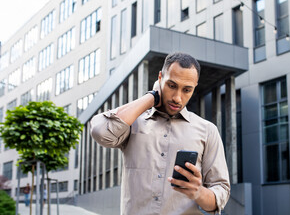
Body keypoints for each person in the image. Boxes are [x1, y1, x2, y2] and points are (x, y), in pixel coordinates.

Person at [91, 52, 230, 214]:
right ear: (160, 78)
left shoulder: (207, 130)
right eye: (171, 85)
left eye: (187, 90)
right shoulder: (133, 122)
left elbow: (221, 193)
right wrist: (151, 97)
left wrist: (198, 192)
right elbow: (100, 132)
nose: (178, 98)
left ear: (194, 87)